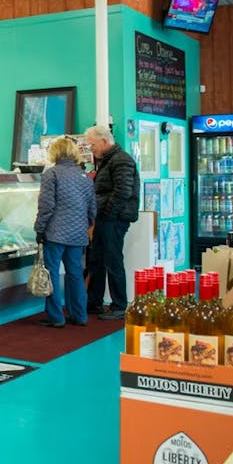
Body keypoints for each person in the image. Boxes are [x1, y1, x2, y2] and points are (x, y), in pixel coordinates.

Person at [34, 137, 96, 327]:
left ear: (55, 152)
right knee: (75, 273)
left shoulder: (51, 174)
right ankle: (80, 315)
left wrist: (39, 229)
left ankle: (56, 317)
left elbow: (46, 206)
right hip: (78, 235)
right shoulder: (84, 177)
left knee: (52, 273)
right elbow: (92, 209)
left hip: (55, 233)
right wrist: (83, 226)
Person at [84, 124, 140, 320]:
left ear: (104, 141)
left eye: (92, 144)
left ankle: (119, 306)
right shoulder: (109, 160)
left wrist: (108, 214)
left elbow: (123, 191)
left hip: (114, 219)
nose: (91, 148)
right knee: (97, 259)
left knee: (112, 260)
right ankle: (94, 302)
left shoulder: (121, 160)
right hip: (106, 218)